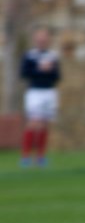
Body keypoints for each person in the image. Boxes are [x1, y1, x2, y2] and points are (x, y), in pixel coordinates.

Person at [20, 27, 61, 168]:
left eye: (44, 36)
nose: (42, 39)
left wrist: (49, 70)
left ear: (48, 39)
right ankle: (25, 156)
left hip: (49, 92)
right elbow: (24, 73)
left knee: (44, 124)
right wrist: (39, 70)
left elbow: (57, 76)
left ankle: (40, 156)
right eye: (39, 36)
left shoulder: (52, 56)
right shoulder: (30, 55)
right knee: (33, 122)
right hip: (35, 92)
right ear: (35, 38)